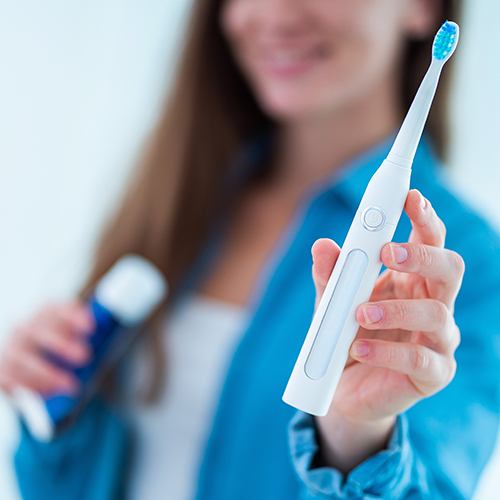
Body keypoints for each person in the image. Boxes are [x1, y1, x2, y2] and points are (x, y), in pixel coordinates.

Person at [1, 0, 499, 498]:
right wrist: (54, 412)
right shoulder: (175, 202)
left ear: (422, 8)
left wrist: (356, 438)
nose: (274, 14)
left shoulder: (462, 268)